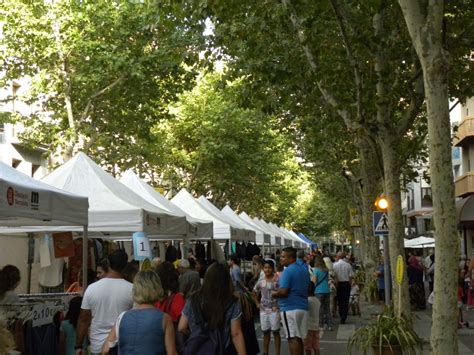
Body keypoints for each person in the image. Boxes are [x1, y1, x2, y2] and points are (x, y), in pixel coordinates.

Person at [102, 270, 177, 355]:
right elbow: (171, 353)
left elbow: (105, 350)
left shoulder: (122, 317)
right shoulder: (165, 319)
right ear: (158, 289)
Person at [178, 262, 246, 355]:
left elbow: (181, 327)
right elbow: (236, 334)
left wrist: (196, 334)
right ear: (227, 281)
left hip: (197, 350)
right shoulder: (232, 302)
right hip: (221, 350)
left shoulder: (193, 299)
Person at [75, 250, 133, 355]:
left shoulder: (92, 288)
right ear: (125, 266)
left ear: (109, 264)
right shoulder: (132, 289)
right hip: (122, 346)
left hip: (98, 347)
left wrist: (78, 345)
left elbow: (84, 320)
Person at [272, 247, 310, 355]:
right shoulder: (304, 269)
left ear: (291, 258)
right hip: (303, 307)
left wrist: (274, 294)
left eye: (283, 256)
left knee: (292, 337)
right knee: (298, 337)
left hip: (290, 308)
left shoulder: (287, 271)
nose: (281, 259)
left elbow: (284, 291)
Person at [253, 259, 281, 355]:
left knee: (276, 332)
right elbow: (254, 292)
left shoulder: (278, 279)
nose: (267, 270)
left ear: (273, 269)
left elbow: (283, 292)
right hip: (263, 310)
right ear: (263, 269)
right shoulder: (261, 280)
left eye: (269, 268)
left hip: (275, 309)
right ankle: (265, 352)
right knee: (265, 332)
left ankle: (277, 353)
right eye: (265, 268)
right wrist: (257, 303)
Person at [333, 252, 354, 324]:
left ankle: (341, 314)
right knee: (345, 301)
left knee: (340, 300)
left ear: (338, 257)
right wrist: (350, 285)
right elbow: (351, 276)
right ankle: (343, 316)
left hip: (338, 284)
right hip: (346, 284)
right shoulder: (348, 265)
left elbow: (334, 275)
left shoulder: (335, 265)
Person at [312, 256, 332, 330]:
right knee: (327, 309)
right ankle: (330, 325)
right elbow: (326, 280)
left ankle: (321, 325)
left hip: (318, 291)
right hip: (326, 290)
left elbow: (314, 281)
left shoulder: (316, 270)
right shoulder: (326, 270)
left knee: (320, 309)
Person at [304, 282, 320, 355]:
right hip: (316, 326)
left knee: (308, 347)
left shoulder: (307, 301)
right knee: (316, 347)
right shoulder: (317, 301)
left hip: (308, 327)